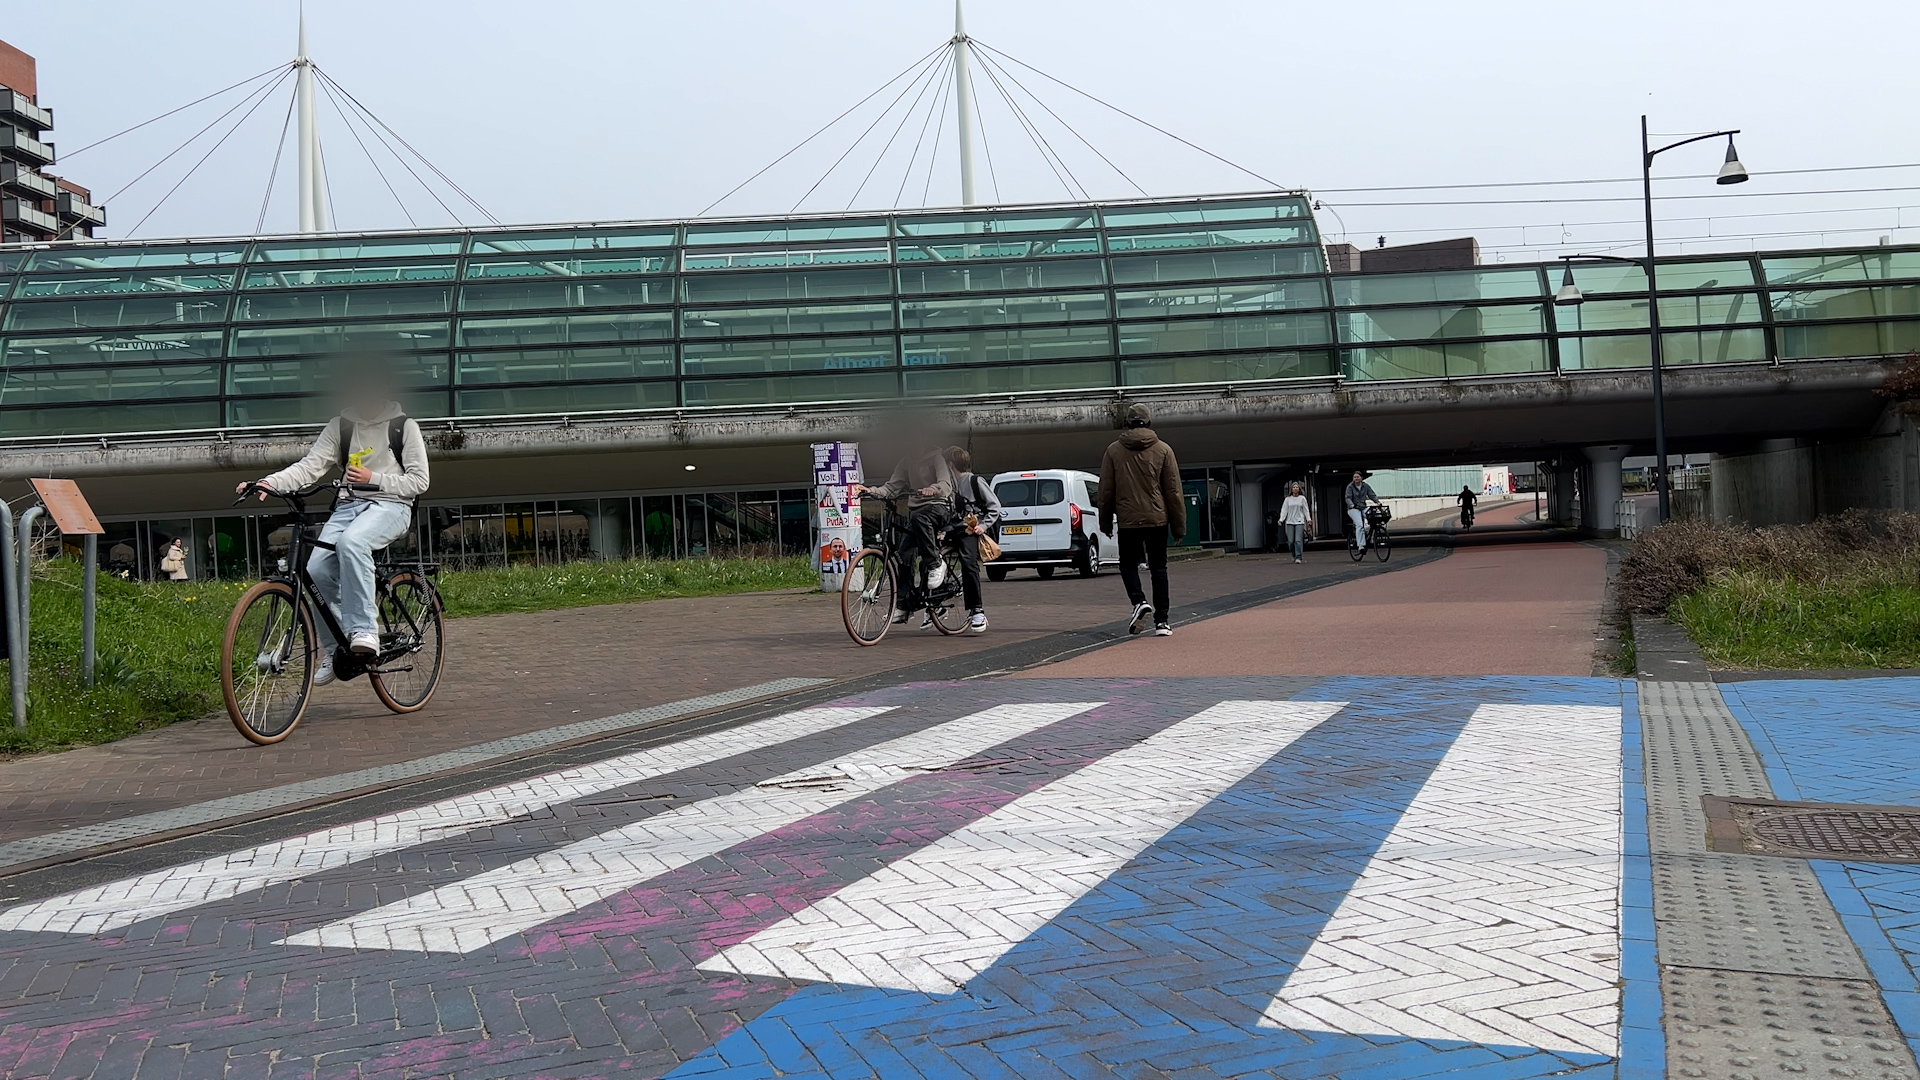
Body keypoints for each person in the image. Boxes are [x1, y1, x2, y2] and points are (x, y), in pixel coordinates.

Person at [238, 357, 430, 687]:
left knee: (352, 543)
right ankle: (335, 648)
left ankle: (365, 631)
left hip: (391, 506)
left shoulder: (403, 427)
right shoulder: (341, 426)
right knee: (316, 570)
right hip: (348, 508)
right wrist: (269, 482)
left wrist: (375, 478)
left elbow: (420, 481)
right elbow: (309, 466)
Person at [1098, 402, 1185, 637]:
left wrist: (1104, 523)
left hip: (1128, 519)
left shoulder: (1113, 451)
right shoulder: (1164, 450)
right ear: (1149, 423)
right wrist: (1178, 527)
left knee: (1127, 564)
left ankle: (1139, 601)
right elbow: (1174, 492)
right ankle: (1162, 622)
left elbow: (1106, 490)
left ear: (1127, 423)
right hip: (1157, 518)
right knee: (1159, 568)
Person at [850, 445, 955, 625]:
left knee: (918, 518)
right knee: (903, 554)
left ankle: (936, 563)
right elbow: (892, 487)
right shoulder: (905, 462)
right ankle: (904, 605)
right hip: (917, 513)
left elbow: (945, 484)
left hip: (939, 507)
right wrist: (871, 491)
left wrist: (933, 488)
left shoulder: (936, 458)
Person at [945, 446, 1002, 633]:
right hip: (954, 527)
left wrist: (982, 526)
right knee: (931, 557)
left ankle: (977, 610)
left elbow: (995, 506)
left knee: (968, 563)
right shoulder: (946, 484)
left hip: (971, 529)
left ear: (950, 465)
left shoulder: (975, 481)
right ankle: (934, 605)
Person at [1344, 470, 1383, 551]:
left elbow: (1371, 495)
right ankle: (1361, 546)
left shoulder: (1365, 486)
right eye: (1354, 477)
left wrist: (1377, 502)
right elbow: (1348, 498)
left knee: (1374, 519)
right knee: (1359, 525)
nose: (1356, 478)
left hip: (1363, 507)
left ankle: (1371, 538)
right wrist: (1351, 505)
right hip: (1353, 509)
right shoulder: (1350, 487)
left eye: (1358, 477)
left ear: (1361, 478)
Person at [1279, 481, 1313, 563]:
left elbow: (1306, 510)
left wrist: (1308, 519)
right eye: (1293, 487)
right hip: (1289, 522)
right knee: (1291, 541)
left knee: (1298, 540)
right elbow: (1284, 510)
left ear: (1299, 489)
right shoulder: (1287, 499)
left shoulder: (1302, 499)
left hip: (1299, 522)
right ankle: (1294, 555)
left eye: (1297, 487)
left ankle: (1298, 557)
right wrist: (1281, 519)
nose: (1295, 489)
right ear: (1291, 489)